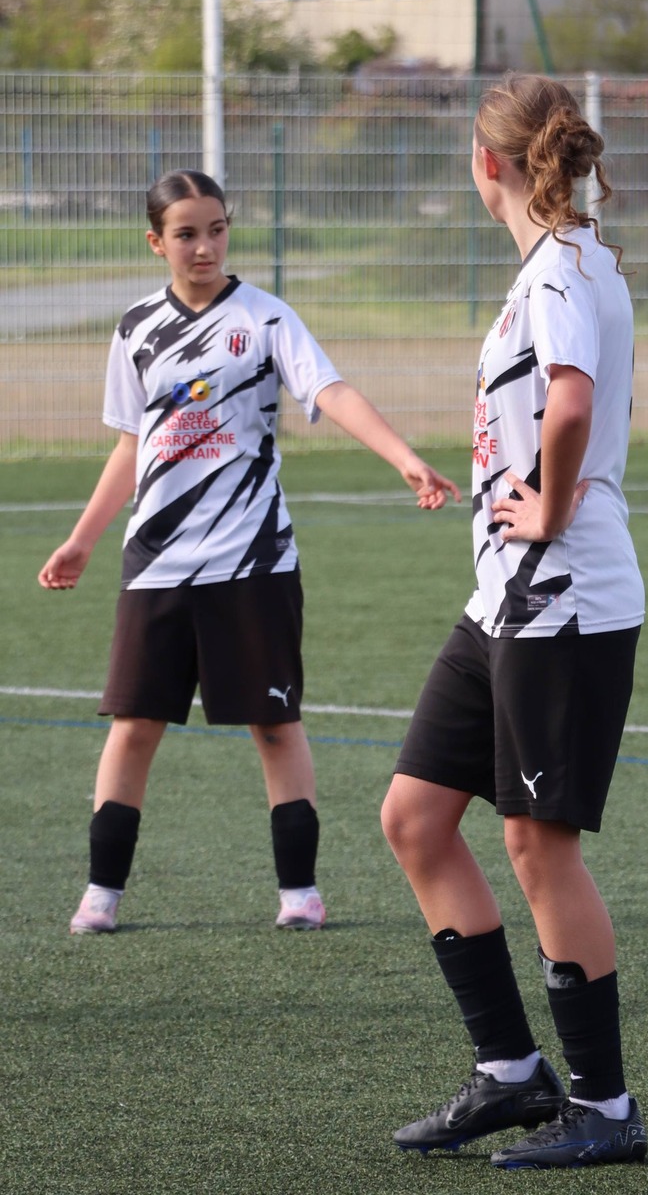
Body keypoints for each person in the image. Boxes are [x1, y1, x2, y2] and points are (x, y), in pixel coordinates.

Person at [39, 168, 459, 937]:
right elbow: (131, 444)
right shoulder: (136, 329)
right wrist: (82, 539)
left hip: (253, 560)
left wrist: (403, 457)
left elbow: (330, 391)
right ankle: (102, 893)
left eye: (217, 230)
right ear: (156, 242)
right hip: (157, 563)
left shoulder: (265, 318)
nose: (204, 247)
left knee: (274, 725)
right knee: (134, 724)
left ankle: (300, 892)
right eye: (186, 234)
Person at [381, 74, 648, 1169]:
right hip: (500, 601)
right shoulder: (557, 265)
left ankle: (605, 1108)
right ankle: (508, 1072)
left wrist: (548, 503)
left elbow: (571, 402)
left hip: (564, 599)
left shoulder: (565, 268)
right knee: (414, 818)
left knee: (538, 845)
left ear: (484, 162)